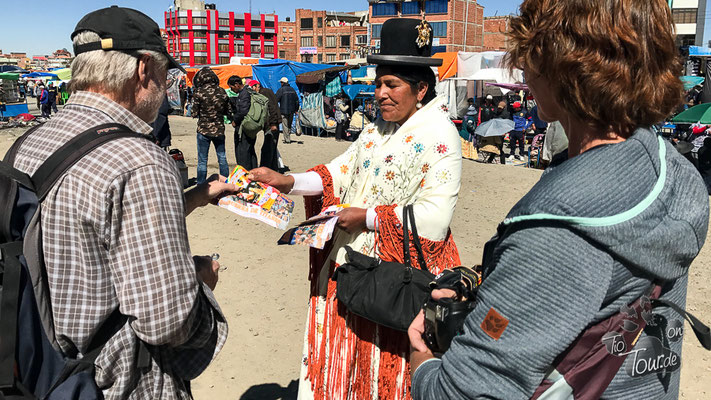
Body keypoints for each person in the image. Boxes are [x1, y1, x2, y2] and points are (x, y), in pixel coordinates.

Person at [408, 1, 709, 399]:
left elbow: (463, 392)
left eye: (529, 57)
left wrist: (423, 362)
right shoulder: (670, 170)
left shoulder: (558, 226)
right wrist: (499, 293)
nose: (525, 73)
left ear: (557, 65)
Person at [11, 7, 232, 398]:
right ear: (144, 69)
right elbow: (168, 322)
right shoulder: (139, 161)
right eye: (166, 74)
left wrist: (195, 197)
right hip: (116, 384)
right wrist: (201, 278)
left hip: (41, 373)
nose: (166, 85)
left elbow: (89, 223)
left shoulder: (30, 143)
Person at [250, 18, 462, 400]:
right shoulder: (375, 129)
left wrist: (364, 217)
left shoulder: (440, 134)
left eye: (391, 85)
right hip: (353, 264)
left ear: (421, 89)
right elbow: (339, 171)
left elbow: (435, 218)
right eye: (379, 83)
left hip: (397, 275)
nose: (380, 94)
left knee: (385, 362)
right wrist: (289, 181)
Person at [192, 66, 231, 183]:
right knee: (222, 158)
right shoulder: (222, 91)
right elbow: (228, 112)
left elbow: (193, 113)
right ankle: (225, 183)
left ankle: (201, 186)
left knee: (202, 160)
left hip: (203, 130)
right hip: (219, 130)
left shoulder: (198, 92)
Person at [251, 80, 281, 170]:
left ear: (257, 86)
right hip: (272, 122)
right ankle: (274, 168)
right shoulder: (267, 91)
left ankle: (266, 168)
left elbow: (271, 108)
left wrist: (272, 123)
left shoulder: (263, 93)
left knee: (268, 147)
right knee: (272, 147)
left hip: (271, 123)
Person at [227, 75, 253, 166]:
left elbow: (243, 111)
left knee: (243, 151)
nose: (232, 90)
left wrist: (235, 120)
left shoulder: (244, 93)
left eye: (232, 87)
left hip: (243, 126)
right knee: (249, 150)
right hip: (248, 126)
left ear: (237, 84)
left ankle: (245, 172)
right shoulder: (247, 92)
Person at [275, 77, 300, 144]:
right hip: (292, 111)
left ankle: (287, 139)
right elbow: (297, 101)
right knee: (289, 124)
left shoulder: (281, 90)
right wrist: (296, 109)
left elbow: (276, 99)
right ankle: (288, 137)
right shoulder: (292, 90)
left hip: (283, 111)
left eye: (281, 82)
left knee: (285, 125)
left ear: (282, 83)